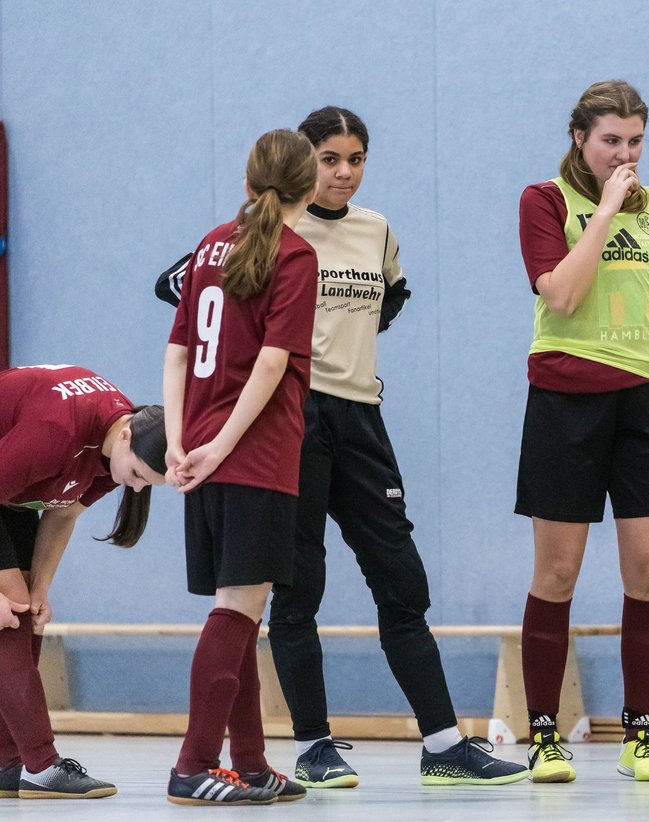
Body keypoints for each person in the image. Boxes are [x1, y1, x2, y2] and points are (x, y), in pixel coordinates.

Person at [158, 107, 527, 788]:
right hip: (286, 421)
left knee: (400, 574)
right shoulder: (268, 239)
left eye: (357, 158)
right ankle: (311, 744)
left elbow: (390, 300)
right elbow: (193, 303)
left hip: (359, 416)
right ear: (304, 165)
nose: (345, 172)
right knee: (295, 588)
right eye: (330, 159)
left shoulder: (376, 230)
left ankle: (443, 741)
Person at [517, 80, 649, 783]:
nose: (625, 155)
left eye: (635, 142)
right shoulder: (546, 202)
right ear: (578, 139)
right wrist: (603, 213)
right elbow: (561, 293)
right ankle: (544, 734)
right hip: (567, 402)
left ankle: (642, 732)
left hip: (647, 406)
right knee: (557, 572)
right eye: (610, 142)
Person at [163, 129, 320, 806]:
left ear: (248, 180)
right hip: (250, 455)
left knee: (243, 614)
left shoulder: (207, 244)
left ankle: (251, 764)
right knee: (237, 613)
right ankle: (194, 765)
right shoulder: (296, 253)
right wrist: (225, 445)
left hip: (198, 448)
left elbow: (175, 352)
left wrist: (177, 441)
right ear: (308, 190)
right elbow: (272, 361)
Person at [0, 365, 166, 799]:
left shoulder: (118, 445)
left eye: (151, 483)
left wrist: (41, 590)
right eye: (142, 474)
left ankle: (6, 763)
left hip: (10, 491)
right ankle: (42, 766)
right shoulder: (56, 432)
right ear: (127, 438)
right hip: (8, 471)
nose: (139, 487)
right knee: (9, 616)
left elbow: (65, 510)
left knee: (27, 614)